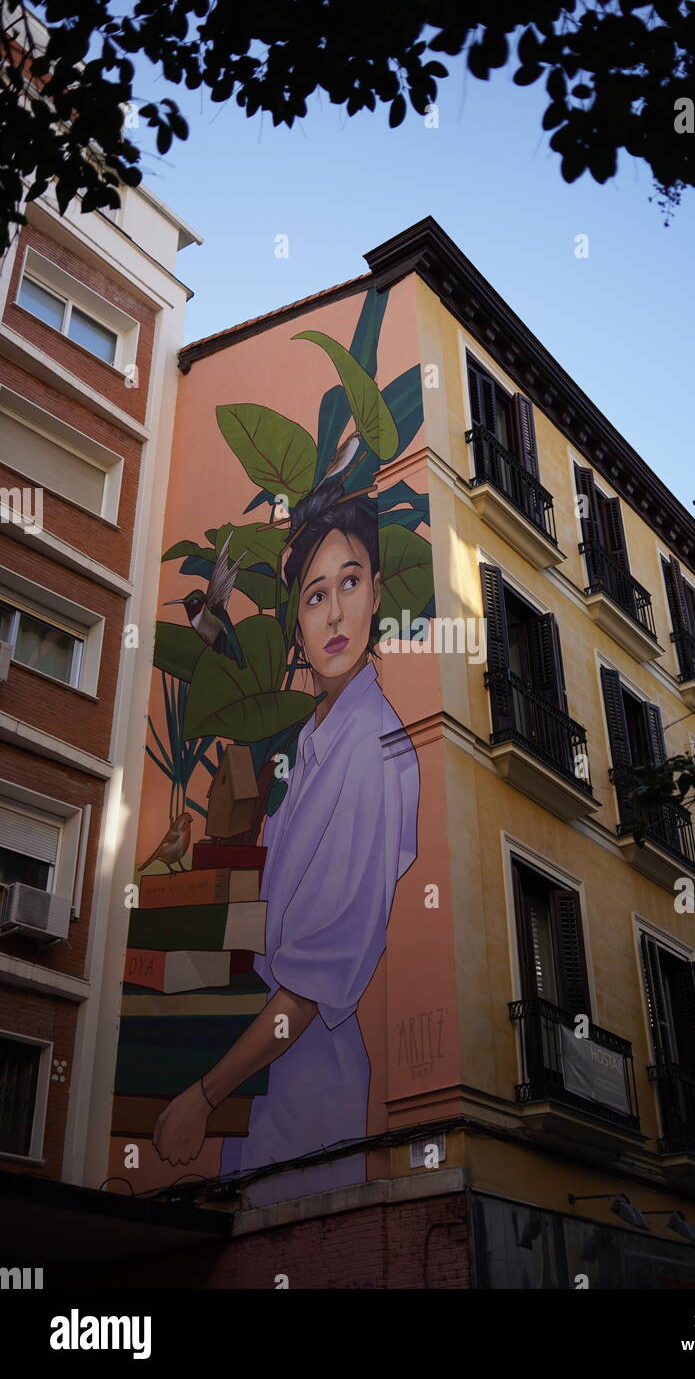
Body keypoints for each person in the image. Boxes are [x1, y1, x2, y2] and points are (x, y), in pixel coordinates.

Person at [153, 485, 420, 1203]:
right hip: (268, 1075)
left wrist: (203, 1097)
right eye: (313, 595)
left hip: (309, 1080)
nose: (335, 613)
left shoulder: (376, 747)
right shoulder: (313, 737)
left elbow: (310, 981)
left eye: (352, 582)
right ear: (294, 621)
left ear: (376, 596)